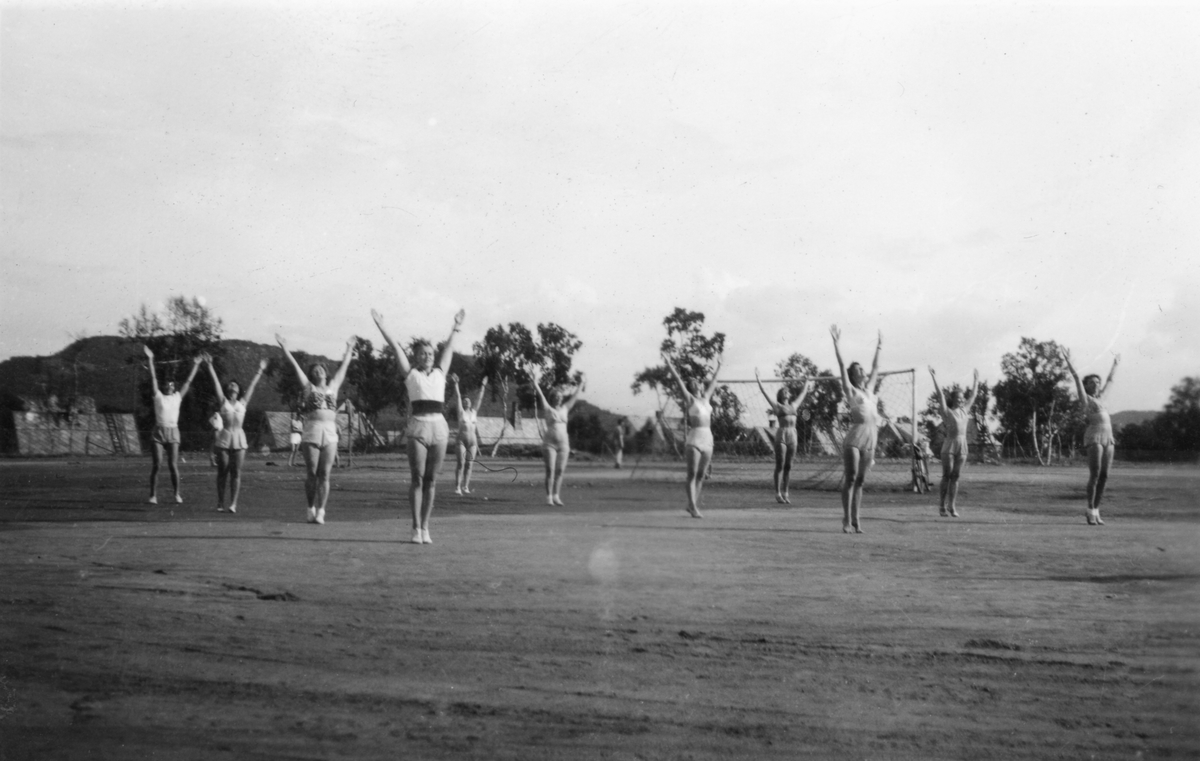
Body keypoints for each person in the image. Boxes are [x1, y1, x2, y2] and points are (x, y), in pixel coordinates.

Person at [372, 308, 464, 545]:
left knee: (432, 480)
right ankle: (415, 527)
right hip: (418, 429)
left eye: (430, 353)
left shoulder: (440, 373)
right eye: (422, 353)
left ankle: (425, 526)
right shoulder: (410, 374)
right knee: (417, 479)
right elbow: (396, 348)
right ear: (416, 357)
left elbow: (449, 348)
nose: (427, 356)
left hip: (440, 429)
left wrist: (455, 326)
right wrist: (382, 326)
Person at [275, 334, 356, 525]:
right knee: (312, 472)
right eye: (316, 370)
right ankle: (310, 507)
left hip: (330, 431)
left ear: (326, 374)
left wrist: (349, 350)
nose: (319, 371)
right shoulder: (308, 387)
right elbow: (295, 367)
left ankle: (321, 511)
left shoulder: (333, 387)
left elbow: (344, 368)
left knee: (325, 473)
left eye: (322, 369)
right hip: (312, 429)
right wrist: (285, 348)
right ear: (312, 375)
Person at [830, 326, 882, 534]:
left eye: (862, 369)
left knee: (860, 480)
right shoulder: (851, 391)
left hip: (872, 437)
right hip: (855, 437)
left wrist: (878, 346)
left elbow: (876, 368)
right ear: (852, 375)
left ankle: (857, 519)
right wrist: (836, 344)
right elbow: (842, 366)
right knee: (850, 477)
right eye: (858, 369)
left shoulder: (869, 390)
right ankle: (846, 519)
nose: (863, 371)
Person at [202, 353, 268, 514]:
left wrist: (259, 370)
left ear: (238, 390)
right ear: (228, 389)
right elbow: (216, 383)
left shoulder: (243, 402)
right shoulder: (223, 402)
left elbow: (252, 386)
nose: (233, 386)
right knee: (222, 471)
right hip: (224, 437)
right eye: (230, 385)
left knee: (236, 472)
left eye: (235, 385)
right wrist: (210, 365)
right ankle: (220, 502)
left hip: (239, 438)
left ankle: (233, 504)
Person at [1062, 348, 1120, 525]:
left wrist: (1115, 364)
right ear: (1087, 386)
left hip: (1108, 437)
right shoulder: (1086, 399)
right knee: (1095, 475)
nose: (1095, 384)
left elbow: (1110, 381)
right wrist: (1069, 361)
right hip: (1094, 435)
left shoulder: (1102, 398)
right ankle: (1089, 510)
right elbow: (1077, 379)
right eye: (1092, 382)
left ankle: (1096, 510)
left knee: (1105, 476)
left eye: (1097, 382)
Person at [664, 351, 723, 518]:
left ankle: (692, 505)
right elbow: (678, 381)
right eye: (695, 382)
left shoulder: (706, 398)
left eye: (699, 382)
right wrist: (669, 364)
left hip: (708, 438)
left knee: (701, 475)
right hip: (695, 438)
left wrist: (719, 365)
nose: (699, 383)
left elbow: (714, 381)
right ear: (692, 387)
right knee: (691, 474)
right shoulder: (690, 399)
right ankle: (693, 506)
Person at [143, 346, 201, 505]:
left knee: (173, 464)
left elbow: (188, 382)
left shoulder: (177, 397)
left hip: (173, 431)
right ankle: (153, 495)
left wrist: (196, 365)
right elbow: (153, 378)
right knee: (157, 464)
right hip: (159, 431)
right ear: (164, 387)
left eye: (171, 385)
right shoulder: (158, 396)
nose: (169, 386)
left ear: (174, 387)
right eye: (167, 384)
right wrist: (150, 359)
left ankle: (177, 494)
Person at [528, 366, 586, 506]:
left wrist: (581, 383)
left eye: (560, 397)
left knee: (560, 470)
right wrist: (535, 382)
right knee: (550, 470)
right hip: (549, 443)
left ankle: (556, 495)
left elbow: (575, 396)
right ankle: (548, 497)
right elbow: (541, 394)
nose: (558, 399)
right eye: (555, 397)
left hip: (564, 444)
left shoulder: (566, 408)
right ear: (552, 398)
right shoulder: (548, 408)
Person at [755, 369, 813, 504]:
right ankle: (777, 493)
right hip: (782, 434)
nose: (786, 392)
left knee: (789, 466)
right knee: (780, 465)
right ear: (780, 395)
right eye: (784, 391)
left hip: (793, 435)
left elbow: (804, 393)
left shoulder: (794, 405)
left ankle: (786, 492)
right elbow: (764, 392)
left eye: (788, 391)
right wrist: (758, 379)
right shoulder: (777, 406)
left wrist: (807, 380)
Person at [928, 367, 980, 517]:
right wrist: (934, 377)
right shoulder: (947, 411)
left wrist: (976, 380)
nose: (961, 399)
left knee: (956, 476)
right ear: (953, 399)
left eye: (962, 397)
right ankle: (941, 506)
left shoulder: (965, 410)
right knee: (947, 475)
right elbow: (940, 395)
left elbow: (974, 395)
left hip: (962, 445)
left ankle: (952, 506)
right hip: (949, 445)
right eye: (958, 398)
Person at [450, 372, 487, 495]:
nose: (466, 402)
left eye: (468, 401)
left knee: (469, 464)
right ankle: (457, 487)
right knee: (461, 463)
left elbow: (479, 398)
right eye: (464, 401)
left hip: (473, 442)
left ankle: (466, 486)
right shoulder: (461, 413)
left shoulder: (474, 412)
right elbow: (458, 396)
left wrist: (482, 386)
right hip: (461, 440)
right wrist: (456, 384)